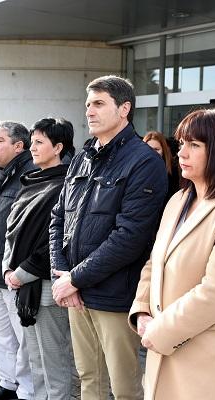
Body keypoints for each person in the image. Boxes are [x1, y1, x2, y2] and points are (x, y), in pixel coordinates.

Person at [128, 108, 215, 400]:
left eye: (194, 145)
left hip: (211, 361)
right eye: (181, 144)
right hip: (165, 348)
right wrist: (142, 310)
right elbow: (156, 263)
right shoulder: (178, 200)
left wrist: (160, 331)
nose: (182, 153)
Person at [49, 75, 167, 399]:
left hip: (114, 296)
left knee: (123, 386)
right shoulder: (81, 157)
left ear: (124, 108)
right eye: (88, 104)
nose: (89, 111)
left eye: (99, 103)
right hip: (76, 291)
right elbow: (58, 218)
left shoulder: (145, 162)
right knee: (89, 378)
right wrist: (63, 275)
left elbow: (129, 237)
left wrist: (75, 278)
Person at [3, 117, 75, 400]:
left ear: (58, 147)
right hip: (24, 284)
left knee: (53, 362)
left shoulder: (64, 185)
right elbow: (13, 231)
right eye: (31, 142)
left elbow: (57, 241)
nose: (32, 148)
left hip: (44, 285)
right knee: (36, 362)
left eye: (39, 142)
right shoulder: (33, 180)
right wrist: (8, 267)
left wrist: (21, 273)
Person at [0, 121, 35, 400]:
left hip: (15, 270)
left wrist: (18, 269)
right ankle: (7, 383)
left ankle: (26, 390)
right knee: (0, 333)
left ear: (18, 146)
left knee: (22, 336)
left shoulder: (29, 174)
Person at [144, 131, 179, 203]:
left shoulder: (173, 171)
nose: (152, 153)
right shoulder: (137, 170)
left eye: (156, 149)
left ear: (163, 150)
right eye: (148, 149)